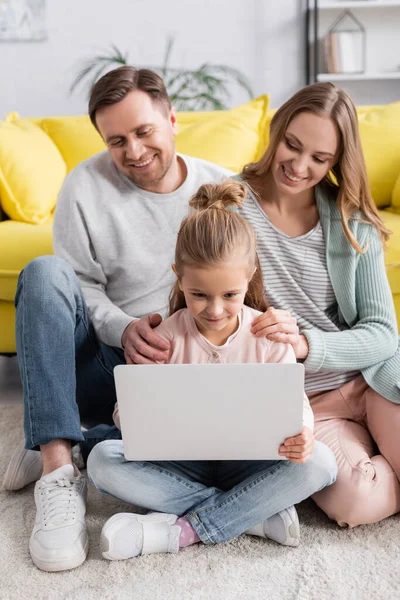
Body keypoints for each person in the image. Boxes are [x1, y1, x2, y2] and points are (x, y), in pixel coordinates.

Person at [3, 66, 233, 572]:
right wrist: (123, 328)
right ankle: (58, 471)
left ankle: (54, 433)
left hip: (186, 372)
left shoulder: (222, 188)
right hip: (106, 362)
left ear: (172, 119)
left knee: (210, 447)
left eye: (144, 131)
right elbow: (78, 284)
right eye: (117, 140)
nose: (133, 151)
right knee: (43, 273)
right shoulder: (83, 186)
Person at [87, 180, 337, 560]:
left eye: (230, 295)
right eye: (199, 294)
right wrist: (135, 413)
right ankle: (249, 514)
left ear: (249, 275)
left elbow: (294, 401)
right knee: (102, 460)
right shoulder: (164, 338)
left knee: (321, 462)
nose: (215, 310)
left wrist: (302, 432)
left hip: (251, 462)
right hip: (183, 465)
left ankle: (186, 529)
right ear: (179, 276)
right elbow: (126, 418)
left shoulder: (268, 335)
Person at [235, 81, 400, 528]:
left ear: (336, 163)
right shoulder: (229, 208)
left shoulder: (351, 220)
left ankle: (378, 450)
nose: (299, 165)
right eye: (292, 144)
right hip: (308, 403)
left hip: (375, 380)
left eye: (319, 159)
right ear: (278, 128)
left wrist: (309, 344)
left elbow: (383, 334)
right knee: (356, 504)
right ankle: (372, 456)